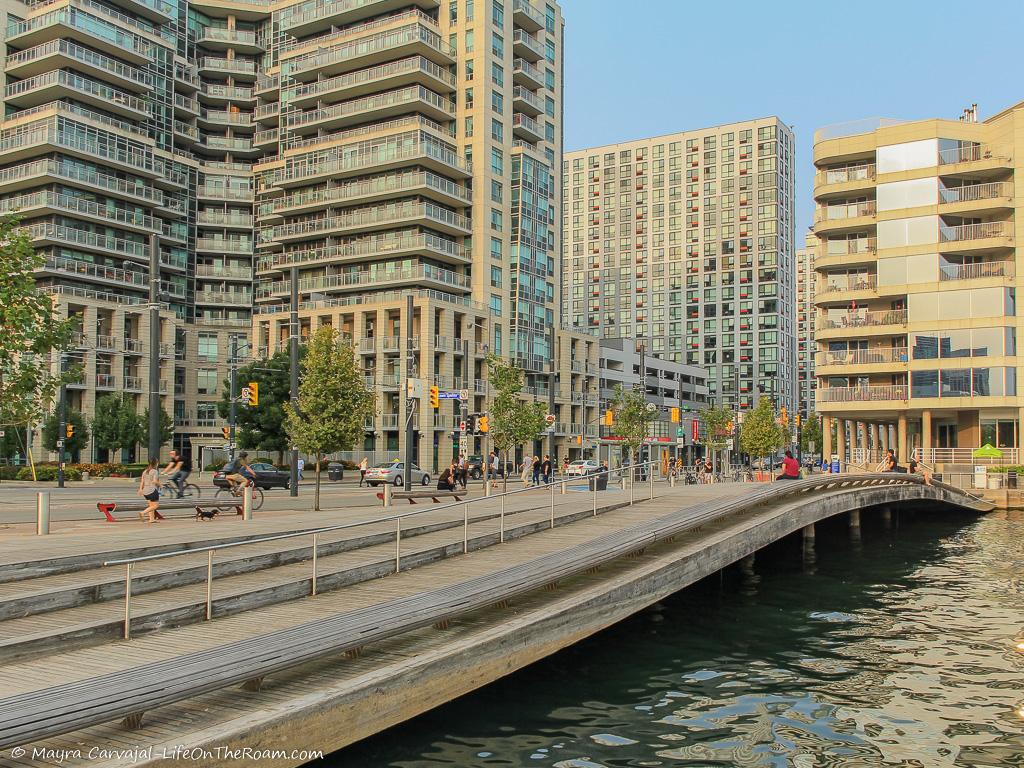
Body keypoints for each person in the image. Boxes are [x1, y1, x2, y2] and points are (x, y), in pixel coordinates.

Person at [138, 458, 162, 523]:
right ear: (156, 463)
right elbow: (155, 481)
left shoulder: (145, 471)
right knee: (155, 506)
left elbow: (142, 481)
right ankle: (143, 513)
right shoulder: (155, 471)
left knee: (151, 505)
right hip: (152, 491)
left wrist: (140, 489)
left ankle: (151, 519)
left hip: (145, 492)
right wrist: (161, 485)